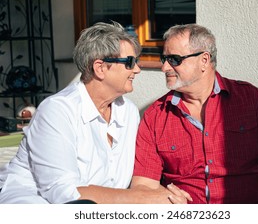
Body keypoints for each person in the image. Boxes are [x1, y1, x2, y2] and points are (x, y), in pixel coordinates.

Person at [0, 21, 190, 204]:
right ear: (100, 68)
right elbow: (63, 192)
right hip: (35, 206)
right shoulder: (58, 111)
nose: (137, 69)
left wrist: (167, 195)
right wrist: (142, 199)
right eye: (130, 62)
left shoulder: (128, 112)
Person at [131, 23, 258, 204]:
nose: (165, 67)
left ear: (204, 60)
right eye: (163, 58)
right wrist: (164, 195)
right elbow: (143, 185)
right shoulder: (156, 115)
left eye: (174, 59)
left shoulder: (251, 100)